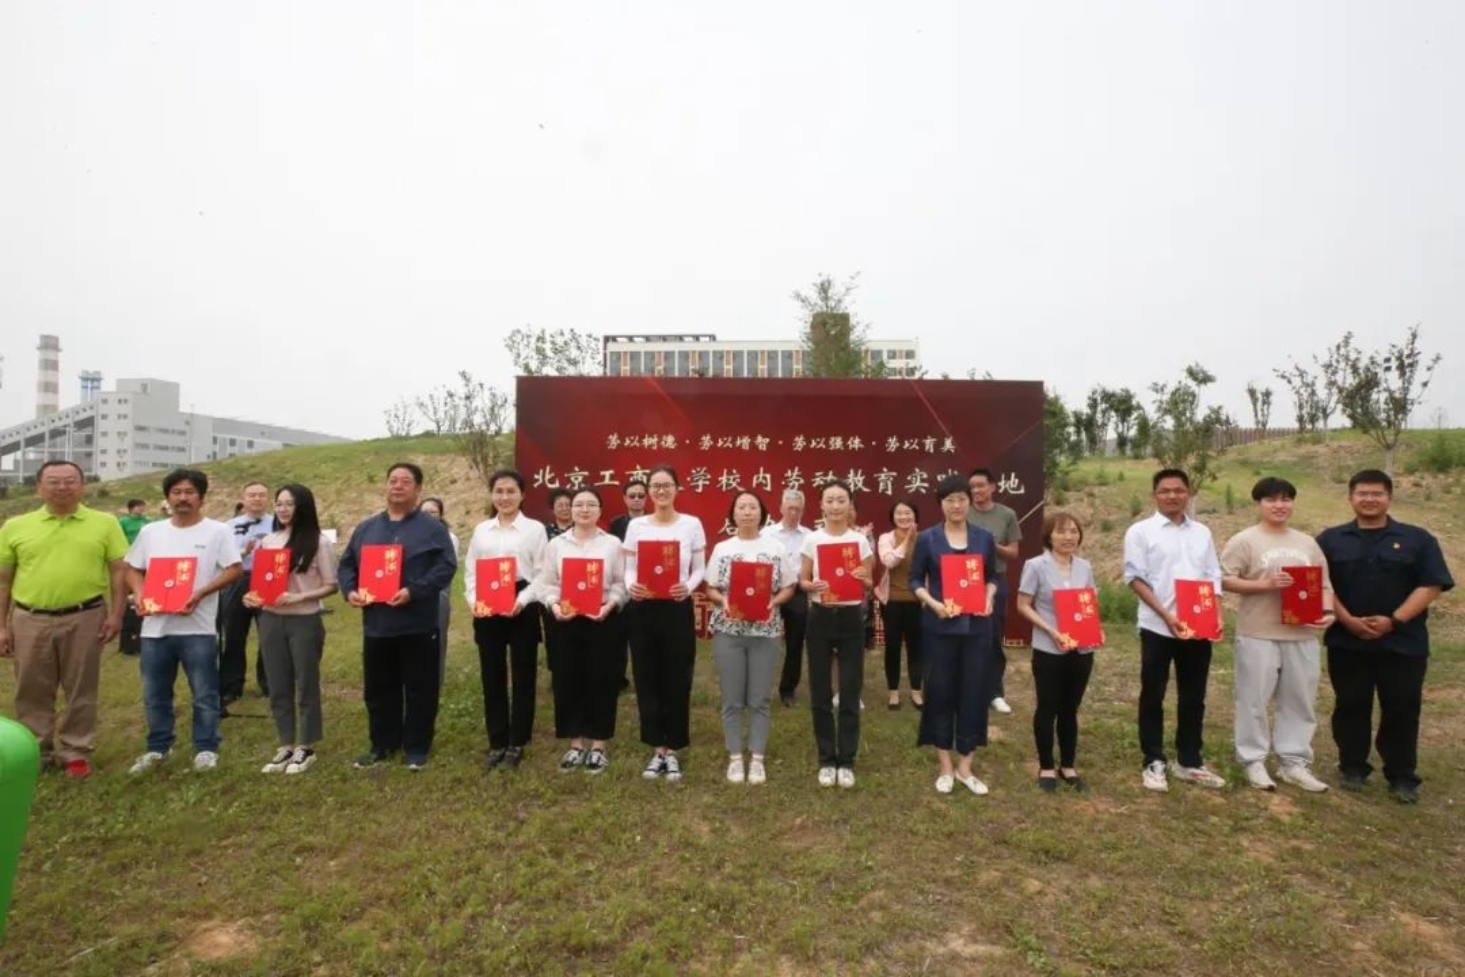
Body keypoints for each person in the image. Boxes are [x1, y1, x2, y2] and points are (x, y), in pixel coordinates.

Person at [1316, 469, 1453, 804]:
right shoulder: (1330, 540)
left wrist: (1394, 620)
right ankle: (1352, 767)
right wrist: (1347, 620)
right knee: (1350, 704)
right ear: (1350, 498)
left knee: (1402, 708)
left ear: (1389, 497)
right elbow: (1320, 584)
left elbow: (1431, 584)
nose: (1369, 499)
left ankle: (1402, 775)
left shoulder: (1418, 539)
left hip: (1403, 642)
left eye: (1376, 493)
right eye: (1362, 493)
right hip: (1348, 641)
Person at [0, 461, 129, 780]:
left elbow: (119, 571)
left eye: (70, 481)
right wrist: (2, 626)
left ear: (82, 486)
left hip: (85, 616)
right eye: (53, 481)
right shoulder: (15, 526)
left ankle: (76, 750)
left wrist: (116, 615)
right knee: (30, 687)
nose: (62, 487)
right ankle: (36, 751)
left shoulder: (105, 523)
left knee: (81, 686)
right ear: (38, 487)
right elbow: (3, 580)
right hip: (30, 618)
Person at [336, 463, 457, 771]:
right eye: (393, 480)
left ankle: (416, 748)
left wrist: (414, 591)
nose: (398, 486)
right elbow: (347, 564)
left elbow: (446, 566)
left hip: (417, 623)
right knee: (379, 690)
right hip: (377, 624)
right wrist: (350, 591)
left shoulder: (432, 528)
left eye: (405, 482)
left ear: (418, 489)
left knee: (420, 689)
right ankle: (382, 744)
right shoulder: (367, 528)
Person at [1220, 477, 1334, 793]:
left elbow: (1324, 584)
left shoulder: (1307, 543)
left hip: (1302, 633)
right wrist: (1265, 585)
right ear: (1259, 504)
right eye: (1271, 499)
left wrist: (1328, 612)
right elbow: (1224, 579)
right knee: (1253, 698)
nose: (1279, 505)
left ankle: (1294, 762)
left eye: (1285, 499)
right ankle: (1253, 759)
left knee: (1299, 699)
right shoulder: (1245, 540)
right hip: (1258, 632)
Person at [124, 469, 243, 774]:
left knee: (204, 693)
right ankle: (157, 748)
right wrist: (140, 594)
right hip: (155, 630)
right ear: (167, 498)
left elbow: (234, 569)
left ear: (201, 497)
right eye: (176, 492)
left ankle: (206, 748)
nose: (183, 498)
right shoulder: (151, 532)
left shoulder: (217, 531)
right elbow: (132, 568)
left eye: (190, 492)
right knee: (155, 694)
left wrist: (201, 593)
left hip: (198, 628)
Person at [1123, 468, 1227, 792]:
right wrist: (1167, 615)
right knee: (1153, 694)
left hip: (1197, 627)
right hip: (1158, 627)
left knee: (1194, 696)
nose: (1172, 496)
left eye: (1179, 490)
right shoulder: (1141, 532)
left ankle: (1189, 760)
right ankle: (1153, 760)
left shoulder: (1202, 532)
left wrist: (1217, 612)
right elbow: (1134, 578)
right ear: (1155, 495)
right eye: (1165, 491)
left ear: (1189, 493)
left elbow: (1212, 575)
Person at [529, 487, 628, 774]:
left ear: (600, 511)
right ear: (570, 510)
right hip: (566, 621)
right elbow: (546, 583)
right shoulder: (556, 545)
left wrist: (611, 605)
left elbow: (621, 583)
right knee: (567, 680)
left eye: (591, 505)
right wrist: (554, 605)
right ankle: (575, 743)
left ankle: (598, 745)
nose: (584, 509)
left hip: (603, 619)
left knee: (602, 680)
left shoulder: (612, 544)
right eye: (579, 505)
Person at [909, 475, 997, 795]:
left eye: (961, 499)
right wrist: (933, 604)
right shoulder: (927, 539)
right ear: (940, 504)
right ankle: (945, 765)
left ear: (969, 502)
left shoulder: (984, 538)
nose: (956, 505)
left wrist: (988, 598)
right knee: (940, 692)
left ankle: (965, 766)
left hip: (976, 629)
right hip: (940, 630)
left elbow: (992, 577)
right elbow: (915, 580)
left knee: (974, 692)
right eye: (949, 500)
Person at [245, 484, 338, 775]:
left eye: (290, 504)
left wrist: (299, 596)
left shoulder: (318, 542)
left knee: (306, 682)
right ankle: (285, 744)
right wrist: (251, 597)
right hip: (271, 619)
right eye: (279, 503)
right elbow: (261, 583)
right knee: (277, 684)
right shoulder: (268, 541)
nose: (283, 509)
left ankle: (306, 746)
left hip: (304, 620)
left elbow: (331, 585)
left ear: (303, 507)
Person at [705, 490, 795, 785]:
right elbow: (710, 587)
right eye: (741, 507)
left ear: (762, 513)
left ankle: (757, 758)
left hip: (765, 632)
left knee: (759, 699)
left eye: (752, 507)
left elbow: (788, 586)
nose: (746, 512)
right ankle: (735, 757)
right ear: (733, 514)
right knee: (731, 698)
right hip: (729, 632)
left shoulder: (776, 547)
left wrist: (774, 602)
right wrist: (723, 601)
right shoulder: (723, 548)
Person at [623, 464, 706, 781]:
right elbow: (629, 567)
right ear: (648, 491)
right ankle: (657, 748)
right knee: (646, 676)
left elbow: (699, 568)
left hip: (676, 607)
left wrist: (688, 586)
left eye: (666, 485)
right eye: (655, 486)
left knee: (677, 676)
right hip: (643, 609)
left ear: (677, 488)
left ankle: (674, 749)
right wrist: (631, 586)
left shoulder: (691, 524)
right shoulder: (637, 526)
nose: (660, 491)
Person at [464, 470, 548, 771]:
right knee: (492, 673)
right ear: (492, 495)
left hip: (521, 600)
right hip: (488, 602)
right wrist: (474, 601)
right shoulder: (481, 530)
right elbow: (471, 570)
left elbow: (542, 573)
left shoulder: (534, 529)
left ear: (522, 495)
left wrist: (521, 601)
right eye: (499, 491)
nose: (505, 497)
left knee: (523, 673)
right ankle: (497, 739)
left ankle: (518, 740)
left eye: (511, 491)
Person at [1017, 510, 1099, 793]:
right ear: (1049, 536)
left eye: (1074, 531)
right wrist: (1051, 631)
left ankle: (1068, 765)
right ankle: (1046, 766)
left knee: (1070, 708)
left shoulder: (1084, 567)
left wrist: (1097, 629)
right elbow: (1023, 605)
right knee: (1047, 706)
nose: (1068, 537)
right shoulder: (1036, 566)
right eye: (1061, 531)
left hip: (1082, 648)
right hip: (1049, 648)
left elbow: (1089, 603)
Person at [799, 479, 874, 788]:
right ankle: (827, 758)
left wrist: (862, 577)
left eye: (841, 500)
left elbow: (869, 583)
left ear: (850, 505)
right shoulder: (812, 540)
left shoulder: (859, 541)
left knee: (850, 688)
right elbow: (803, 580)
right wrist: (812, 585)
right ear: (821, 505)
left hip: (851, 619)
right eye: (829, 500)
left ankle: (847, 759)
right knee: (820, 690)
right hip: (820, 617)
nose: (835, 506)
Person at [967, 468, 1022, 716]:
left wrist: (992, 544)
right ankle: (967, 689)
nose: (976, 490)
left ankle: (995, 693)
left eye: (981, 485)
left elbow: (1013, 553)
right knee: (965, 636)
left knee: (993, 637)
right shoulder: (963, 512)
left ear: (992, 487)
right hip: (966, 579)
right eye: (972, 487)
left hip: (996, 580)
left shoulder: (1006, 514)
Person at [219, 482, 275, 704]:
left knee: (269, 634)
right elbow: (222, 557)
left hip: (268, 579)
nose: (257, 499)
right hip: (238, 578)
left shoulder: (278, 523)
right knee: (233, 634)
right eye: (252, 495)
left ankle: (269, 683)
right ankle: (232, 685)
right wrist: (243, 552)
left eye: (261, 495)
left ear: (268, 499)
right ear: (242, 498)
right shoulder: (228, 526)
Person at [762, 489, 811, 708]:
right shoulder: (767, 534)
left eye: (797, 509)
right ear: (781, 508)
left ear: (802, 511)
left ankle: (788, 689)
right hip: (770, 592)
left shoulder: (809, 536)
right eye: (789, 508)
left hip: (797, 592)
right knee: (764, 641)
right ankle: (759, 686)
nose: (793, 513)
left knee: (795, 642)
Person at [876, 499, 925, 711]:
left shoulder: (924, 539)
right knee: (893, 647)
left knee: (916, 648)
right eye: (899, 513)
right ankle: (893, 692)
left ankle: (916, 691)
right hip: (892, 602)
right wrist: (906, 541)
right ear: (893, 517)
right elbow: (889, 561)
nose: (904, 517)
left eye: (908, 513)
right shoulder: (886, 538)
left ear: (915, 516)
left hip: (918, 602)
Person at [607, 479, 646, 693]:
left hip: (647, 584)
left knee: (643, 636)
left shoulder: (653, 522)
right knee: (618, 636)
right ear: (625, 499)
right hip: (621, 582)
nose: (637, 499)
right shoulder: (616, 524)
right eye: (632, 496)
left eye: (641, 495)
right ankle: (617, 678)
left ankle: (645, 678)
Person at [418, 496, 459, 689]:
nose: (428, 515)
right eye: (424, 512)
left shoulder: (449, 537)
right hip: (413, 592)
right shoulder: (412, 534)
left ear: (441, 514)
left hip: (438, 592)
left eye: (433, 512)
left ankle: (436, 681)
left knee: (438, 636)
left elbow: (446, 568)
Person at [115, 498, 150, 654]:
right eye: (138, 507)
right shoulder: (123, 522)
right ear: (131, 508)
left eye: (142, 506)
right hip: (129, 558)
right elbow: (118, 539)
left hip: (146, 559)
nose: (140, 509)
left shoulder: (147, 521)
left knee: (146, 587)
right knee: (130, 591)